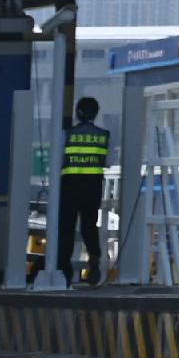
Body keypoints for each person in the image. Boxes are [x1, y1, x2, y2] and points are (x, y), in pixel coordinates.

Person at [57, 97, 112, 285]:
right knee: (89, 227)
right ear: (95, 113)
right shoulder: (103, 135)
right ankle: (94, 260)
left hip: (70, 186)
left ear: (77, 112)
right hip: (93, 186)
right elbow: (107, 161)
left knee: (66, 229)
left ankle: (64, 272)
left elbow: (59, 160)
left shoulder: (67, 134)